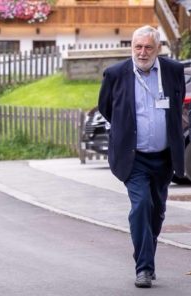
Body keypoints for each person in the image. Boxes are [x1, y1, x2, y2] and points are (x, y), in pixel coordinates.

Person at [98, 25, 185, 288]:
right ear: (131, 47)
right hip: (133, 158)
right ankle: (144, 268)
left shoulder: (173, 71)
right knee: (141, 206)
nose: (142, 52)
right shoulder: (116, 74)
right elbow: (106, 107)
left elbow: (177, 103)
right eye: (138, 47)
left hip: (164, 156)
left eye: (148, 47)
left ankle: (145, 252)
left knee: (157, 212)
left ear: (157, 48)